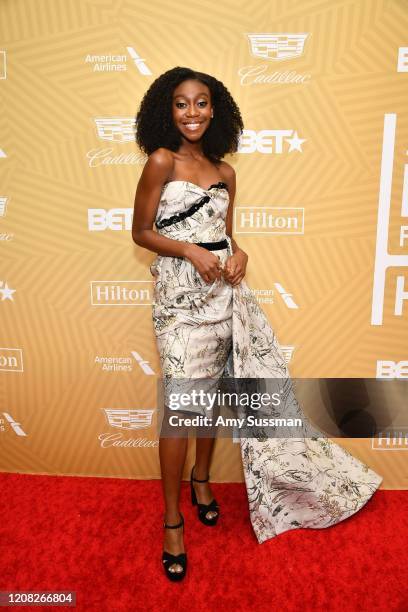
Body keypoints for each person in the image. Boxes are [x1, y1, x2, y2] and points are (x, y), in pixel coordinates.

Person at [132, 67, 383, 582]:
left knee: (216, 395)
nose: (193, 113)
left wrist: (238, 250)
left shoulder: (225, 172)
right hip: (180, 303)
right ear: (167, 109)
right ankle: (172, 521)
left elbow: (227, 234)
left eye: (202, 103)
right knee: (183, 406)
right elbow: (140, 232)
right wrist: (187, 250)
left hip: (225, 297)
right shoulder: (161, 161)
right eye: (182, 104)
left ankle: (203, 479)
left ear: (215, 109)